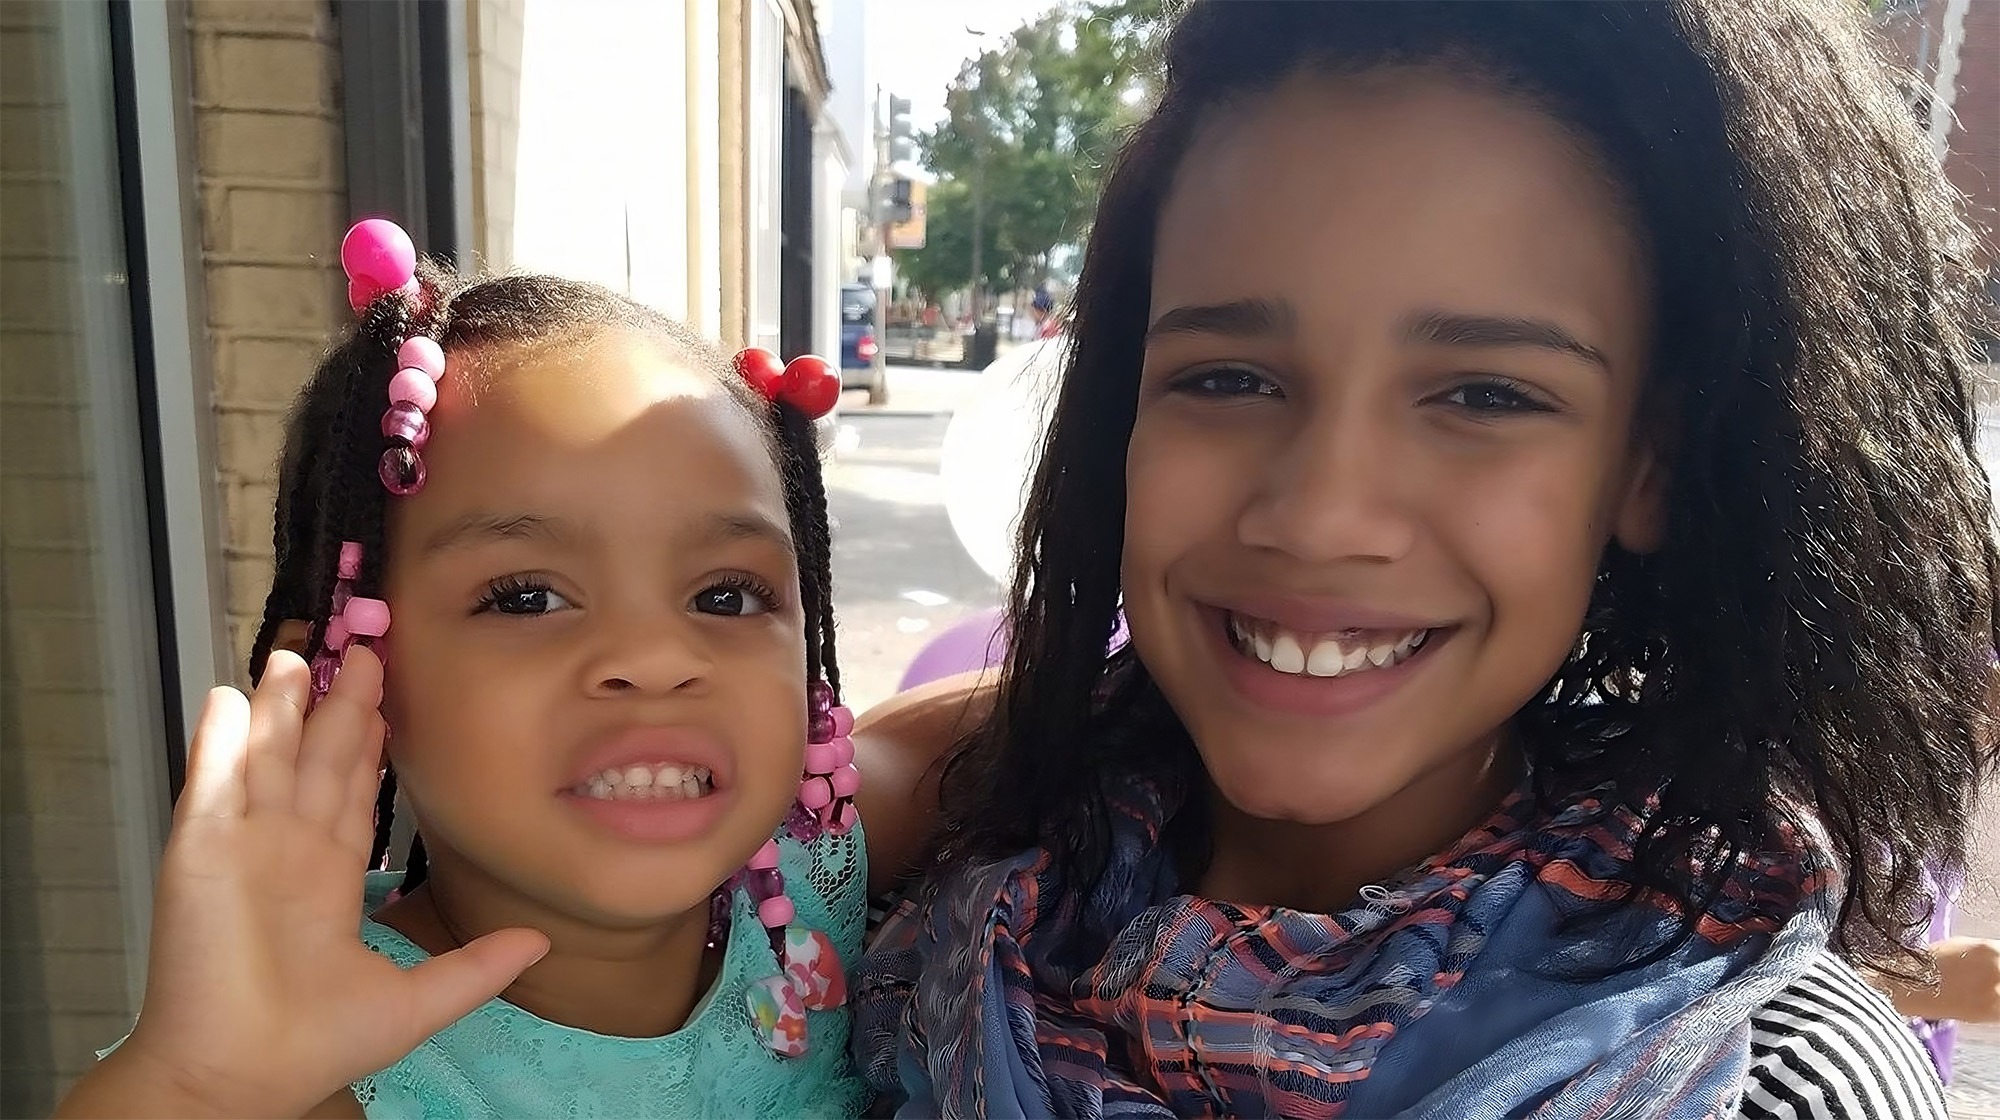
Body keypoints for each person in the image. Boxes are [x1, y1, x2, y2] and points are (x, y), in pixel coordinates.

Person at [854, 1, 1993, 1116]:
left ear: (1645, 466)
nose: (1318, 513)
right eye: (1226, 378)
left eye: (1485, 394)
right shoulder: (889, 900)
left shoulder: (1767, 1078)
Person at [57, 220, 872, 1118]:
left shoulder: (808, 886)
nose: (656, 658)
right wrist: (196, 1090)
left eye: (727, 596)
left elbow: (1018, 713)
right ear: (343, 668)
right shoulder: (305, 1068)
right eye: (525, 597)